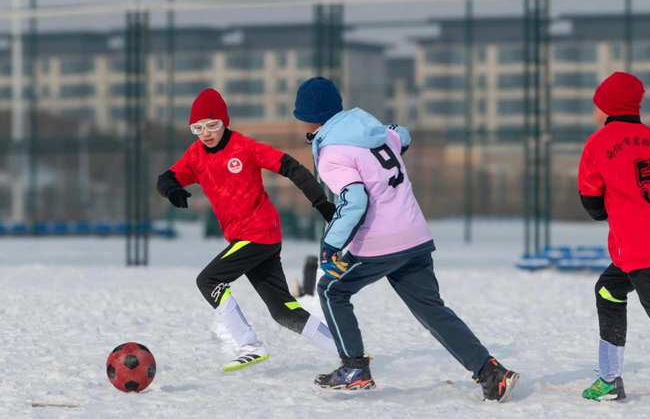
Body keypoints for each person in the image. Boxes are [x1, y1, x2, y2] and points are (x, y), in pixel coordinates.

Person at [291, 77, 519, 401]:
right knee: (432, 309)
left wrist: (330, 246)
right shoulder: (377, 132)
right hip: (414, 235)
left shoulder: (332, 152)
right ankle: (491, 373)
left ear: (306, 117)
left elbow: (355, 200)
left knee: (331, 289)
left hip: (380, 242)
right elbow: (403, 134)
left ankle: (354, 367)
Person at [157, 88, 338, 372]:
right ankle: (348, 352)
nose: (206, 133)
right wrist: (171, 189)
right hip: (249, 238)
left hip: (259, 232)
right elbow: (167, 177)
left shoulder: (244, 147)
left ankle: (249, 345)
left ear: (224, 122)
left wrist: (321, 203)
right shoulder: (195, 155)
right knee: (282, 310)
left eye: (212, 125)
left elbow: (292, 167)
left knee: (208, 280)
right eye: (198, 128)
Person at [578, 72, 650, 401]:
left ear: (607, 108)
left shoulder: (598, 142)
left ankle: (609, 380)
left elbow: (592, 204)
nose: (594, 112)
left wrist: (611, 207)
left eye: (596, 105)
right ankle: (609, 379)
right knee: (608, 290)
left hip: (637, 245)